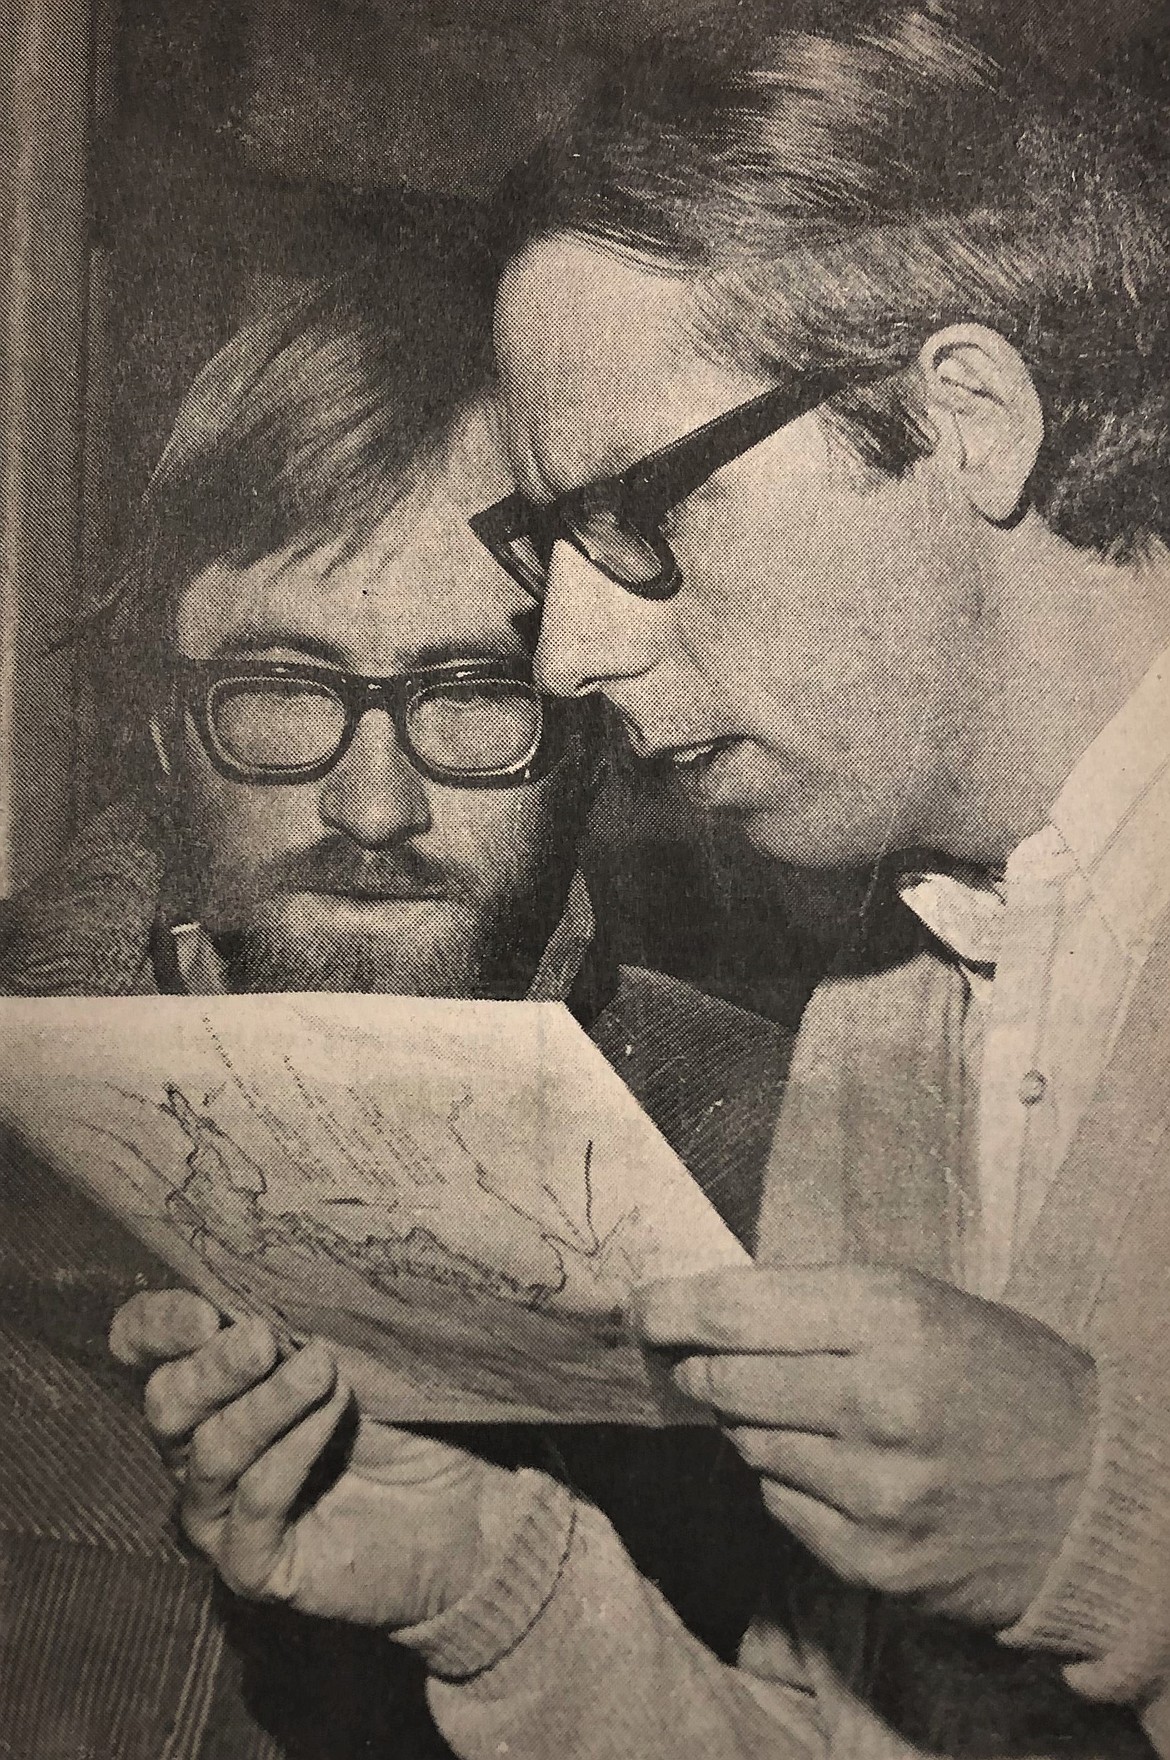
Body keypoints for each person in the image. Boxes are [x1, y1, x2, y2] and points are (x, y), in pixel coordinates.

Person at [118, 13, 1170, 1759]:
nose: (573, 651)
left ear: (966, 416)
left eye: (636, 511)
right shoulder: (884, 1004)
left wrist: (1113, 1533)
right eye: (550, 552)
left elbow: (1091, 1545)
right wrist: (494, 1581)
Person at [0, 259, 788, 1760]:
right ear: (168, 721)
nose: (374, 804)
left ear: (590, 728)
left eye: (471, 695)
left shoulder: (776, 1151)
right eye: (285, 687)